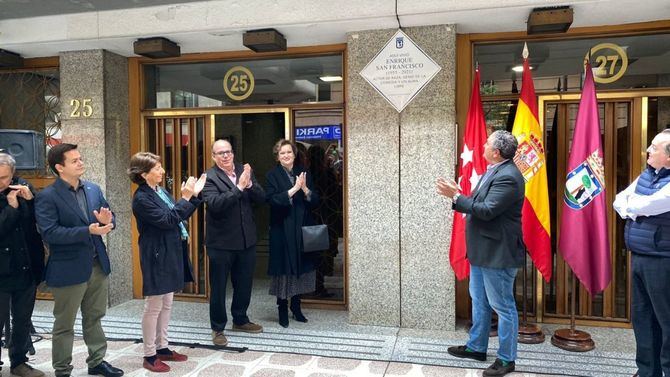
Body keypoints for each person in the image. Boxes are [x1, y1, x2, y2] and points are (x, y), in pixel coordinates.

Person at [437, 130, 525, 377]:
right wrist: (460, 193)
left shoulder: (509, 176)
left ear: (496, 152)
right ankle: (477, 347)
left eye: (486, 144)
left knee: (503, 306)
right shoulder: (494, 170)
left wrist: (455, 197)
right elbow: (478, 203)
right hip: (482, 250)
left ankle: (507, 359)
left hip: (497, 253)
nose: (483, 146)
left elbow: (486, 211)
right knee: (479, 299)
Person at [34, 143, 123, 377]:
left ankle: (96, 362)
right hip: (68, 269)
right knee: (64, 324)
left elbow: (110, 218)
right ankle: (62, 369)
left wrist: (108, 222)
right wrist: (88, 231)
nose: (81, 162)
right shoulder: (47, 197)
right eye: (74, 161)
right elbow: (50, 233)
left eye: (81, 158)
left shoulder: (93, 189)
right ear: (59, 168)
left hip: (97, 265)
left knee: (95, 317)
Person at [128, 152, 207, 373]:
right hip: (156, 255)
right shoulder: (142, 198)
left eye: (161, 166)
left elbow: (177, 215)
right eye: (157, 168)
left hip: (170, 250)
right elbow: (168, 219)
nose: (163, 171)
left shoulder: (159, 191)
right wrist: (185, 197)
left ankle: (163, 347)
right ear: (144, 174)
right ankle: (149, 354)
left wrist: (194, 196)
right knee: (153, 306)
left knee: (167, 303)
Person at [613, 128, 670, 377]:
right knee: (643, 318)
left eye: (655, 148)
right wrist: (633, 207)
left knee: (666, 322)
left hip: (662, 260)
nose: (648, 150)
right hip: (639, 255)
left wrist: (632, 207)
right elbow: (620, 199)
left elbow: (650, 203)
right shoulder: (648, 174)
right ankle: (647, 370)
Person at [202, 139, 265, 346]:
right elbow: (216, 204)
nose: (226, 156)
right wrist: (238, 188)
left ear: (233, 153)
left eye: (228, 152)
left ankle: (240, 319)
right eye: (220, 153)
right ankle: (218, 328)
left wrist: (249, 186)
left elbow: (261, 198)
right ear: (213, 156)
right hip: (220, 243)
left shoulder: (243, 170)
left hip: (246, 240)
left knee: (244, 283)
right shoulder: (209, 178)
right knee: (219, 288)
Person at [265, 139, 320, 327]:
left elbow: (315, 201)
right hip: (282, 229)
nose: (286, 156)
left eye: (289, 152)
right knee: (283, 271)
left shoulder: (303, 173)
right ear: (277, 157)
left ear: (294, 155)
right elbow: (271, 200)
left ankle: (296, 307)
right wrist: (293, 190)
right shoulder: (272, 175)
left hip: (302, 228)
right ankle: (282, 308)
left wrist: (304, 189)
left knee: (301, 269)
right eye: (282, 153)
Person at [0, 152, 45, 377]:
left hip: (25, 267)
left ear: (13, 174)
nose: (1, 183)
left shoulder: (24, 188)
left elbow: (38, 223)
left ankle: (19, 362)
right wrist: (12, 208)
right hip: (1, 271)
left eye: (4, 178)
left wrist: (30, 201)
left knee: (22, 320)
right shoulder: (8, 199)